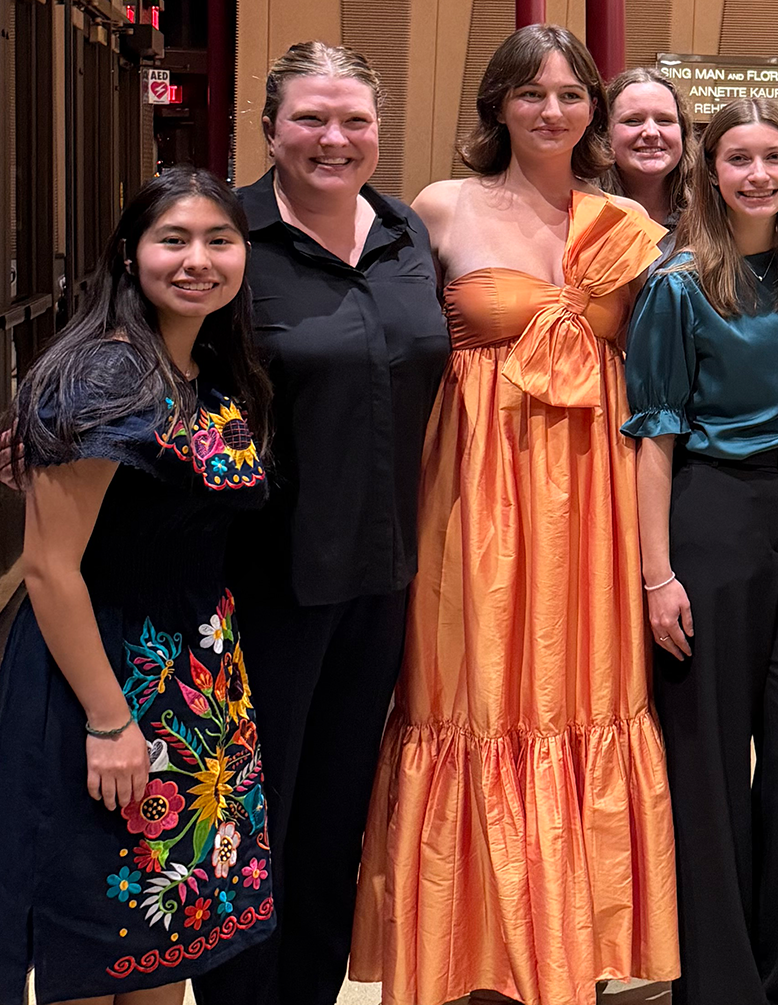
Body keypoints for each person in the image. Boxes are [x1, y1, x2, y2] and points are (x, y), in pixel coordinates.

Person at [349, 25, 677, 1005]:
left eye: (572, 94)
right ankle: (474, 946)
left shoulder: (622, 218)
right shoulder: (442, 208)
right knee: (478, 697)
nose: (552, 111)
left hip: (596, 495)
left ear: (595, 109)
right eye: (530, 93)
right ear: (495, 104)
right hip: (472, 493)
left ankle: (577, 946)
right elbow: (378, 341)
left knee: (586, 696)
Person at [191, 43, 450, 1005]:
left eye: (352, 121)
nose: (333, 138)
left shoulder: (406, 235)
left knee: (337, 817)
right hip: (263, 580)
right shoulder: (228, 237)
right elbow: (139, 354)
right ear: (267, 131)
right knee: (255, 825)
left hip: (381, 578)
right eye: (309, 118)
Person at [0, 167, 277, 1005]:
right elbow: (50, 568)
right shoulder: (102, 374)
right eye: (173, 240)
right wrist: (110, 719)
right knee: (93, 936)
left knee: (161, 947)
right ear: (129, 256)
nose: (198, 260)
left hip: (195, 688)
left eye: (219, 240)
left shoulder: (204, 368)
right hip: (104, 680)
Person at [624, 97, 778, 1005]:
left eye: (775, 159)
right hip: (712, 519)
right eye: (739, 159)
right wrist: (658, 573)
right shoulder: (677, 284)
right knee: (707, 764)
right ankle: (718, 986)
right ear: (710, 172)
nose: (759, 175)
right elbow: (653, 440)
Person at [603, 67, 691, 248]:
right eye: (633, 120)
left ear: (683, 132)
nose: (651, 132)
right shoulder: (579, 215)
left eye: (664, 120)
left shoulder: (713, 214)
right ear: (605, 132)